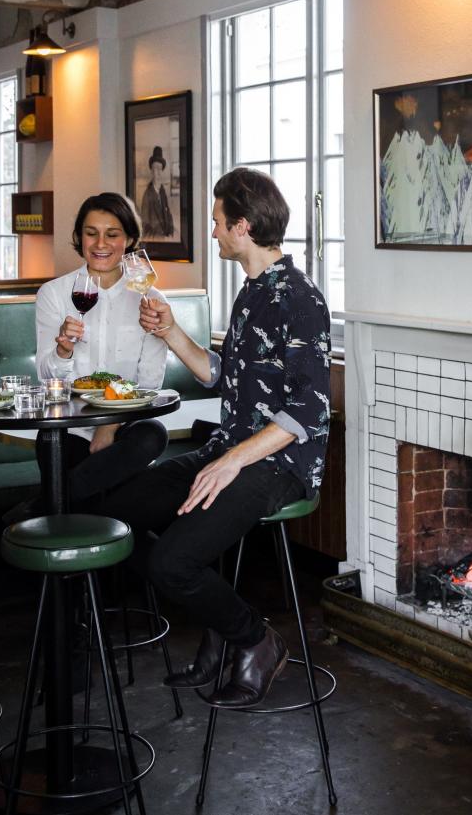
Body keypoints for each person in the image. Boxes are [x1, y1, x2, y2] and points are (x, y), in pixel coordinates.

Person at [96, 168, 331, 708]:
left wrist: (231, 462)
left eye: (218, 222)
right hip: (229, 448)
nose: (213, 231)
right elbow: (222, 376)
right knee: (116, 514)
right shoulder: (250, 293)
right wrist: (169, 330)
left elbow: (309, 407)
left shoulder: (300, 299)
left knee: (170, 563)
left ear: (242, 226)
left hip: (280, 465)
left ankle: (255, 640)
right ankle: (221, 625)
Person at [34, 191, 168, 504]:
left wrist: (110, 424)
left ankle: (42, 508)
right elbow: (45, 376)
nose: (100, 244)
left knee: (152, 435)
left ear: (129, 239)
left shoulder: (151, 301)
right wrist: (63, 351)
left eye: (112, 234)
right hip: (70, 424)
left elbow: (150, 382)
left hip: (126, 426)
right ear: (79, 237)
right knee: (53, 444)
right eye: (91, 233)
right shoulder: (54, 294)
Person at [140, 146, 174, 238]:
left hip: (165, 239)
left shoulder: (163, 192)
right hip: (155, 240)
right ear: (152, 171)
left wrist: (171, 233)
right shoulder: (147, 195)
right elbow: (144, 224)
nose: (158, 172)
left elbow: (168, 214)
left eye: (160, 168)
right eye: (156, 168)